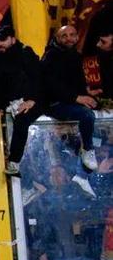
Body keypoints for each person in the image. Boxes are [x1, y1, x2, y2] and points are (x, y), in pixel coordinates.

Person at [0, 25, 43, 176]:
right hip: (7, 102)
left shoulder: (25, 52)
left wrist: (32, 99)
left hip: (32, 100)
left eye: (3, 40)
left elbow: (38, 79)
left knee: (22, 120)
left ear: (13, 39)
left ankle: (14, 162)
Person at [41, 25, 98, 171]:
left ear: (77, 37)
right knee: (87, 115)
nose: (69, 39)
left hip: (72, 103)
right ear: (57, 38)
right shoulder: (50, 56)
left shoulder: (76, 56)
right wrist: (77, 98)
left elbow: (78, 84)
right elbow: (50, 86)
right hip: (54, 105)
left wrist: (89, 94)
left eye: (72, 35)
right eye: (64, 36)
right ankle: (88, 149)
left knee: (95, 108)